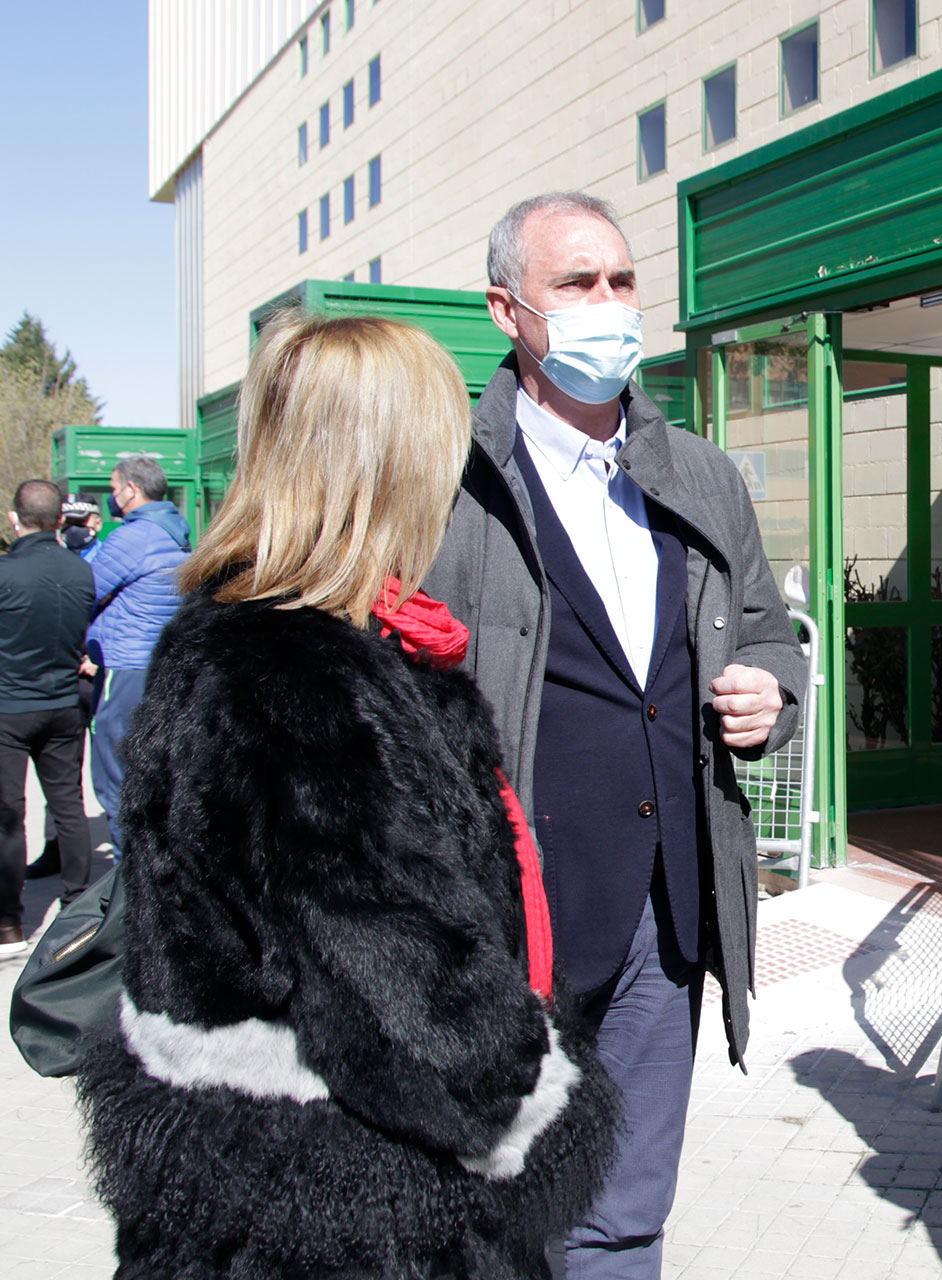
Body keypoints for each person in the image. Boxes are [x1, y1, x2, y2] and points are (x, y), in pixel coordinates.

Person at [76, 312, 619, 1279]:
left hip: (255, 1194)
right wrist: (536, 1094)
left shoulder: (243, 637)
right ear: (390, 462)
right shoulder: (297, 677)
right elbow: (409, 1002)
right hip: (349, 1219)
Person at [421, 191, 805, 1279]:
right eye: (576, 283)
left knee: (624, 1218)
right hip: (504, 915)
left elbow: (774, 635)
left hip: (665, 915)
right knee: (488, 1210)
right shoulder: (447, 478)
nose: (608, 305)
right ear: (506, 307)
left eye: (623, 281)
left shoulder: (702, 475)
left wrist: (773, 693)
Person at [0, 480, 96, 954]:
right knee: (69, 806)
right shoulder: (80, 572)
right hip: (62, 704)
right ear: (61, 520)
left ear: (15, 519)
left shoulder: (6, 573)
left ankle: (9, 924)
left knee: (7, 813)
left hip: (10, 709)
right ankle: (77, 907)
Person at [86, 455, 190, 850]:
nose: (113, 497)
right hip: (156, 662)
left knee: (112, 774)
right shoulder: (176, 532)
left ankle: (121, 879)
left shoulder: (132, 537)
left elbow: (88, 592)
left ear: (131, 489)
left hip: (122, 665)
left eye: (114, 489)